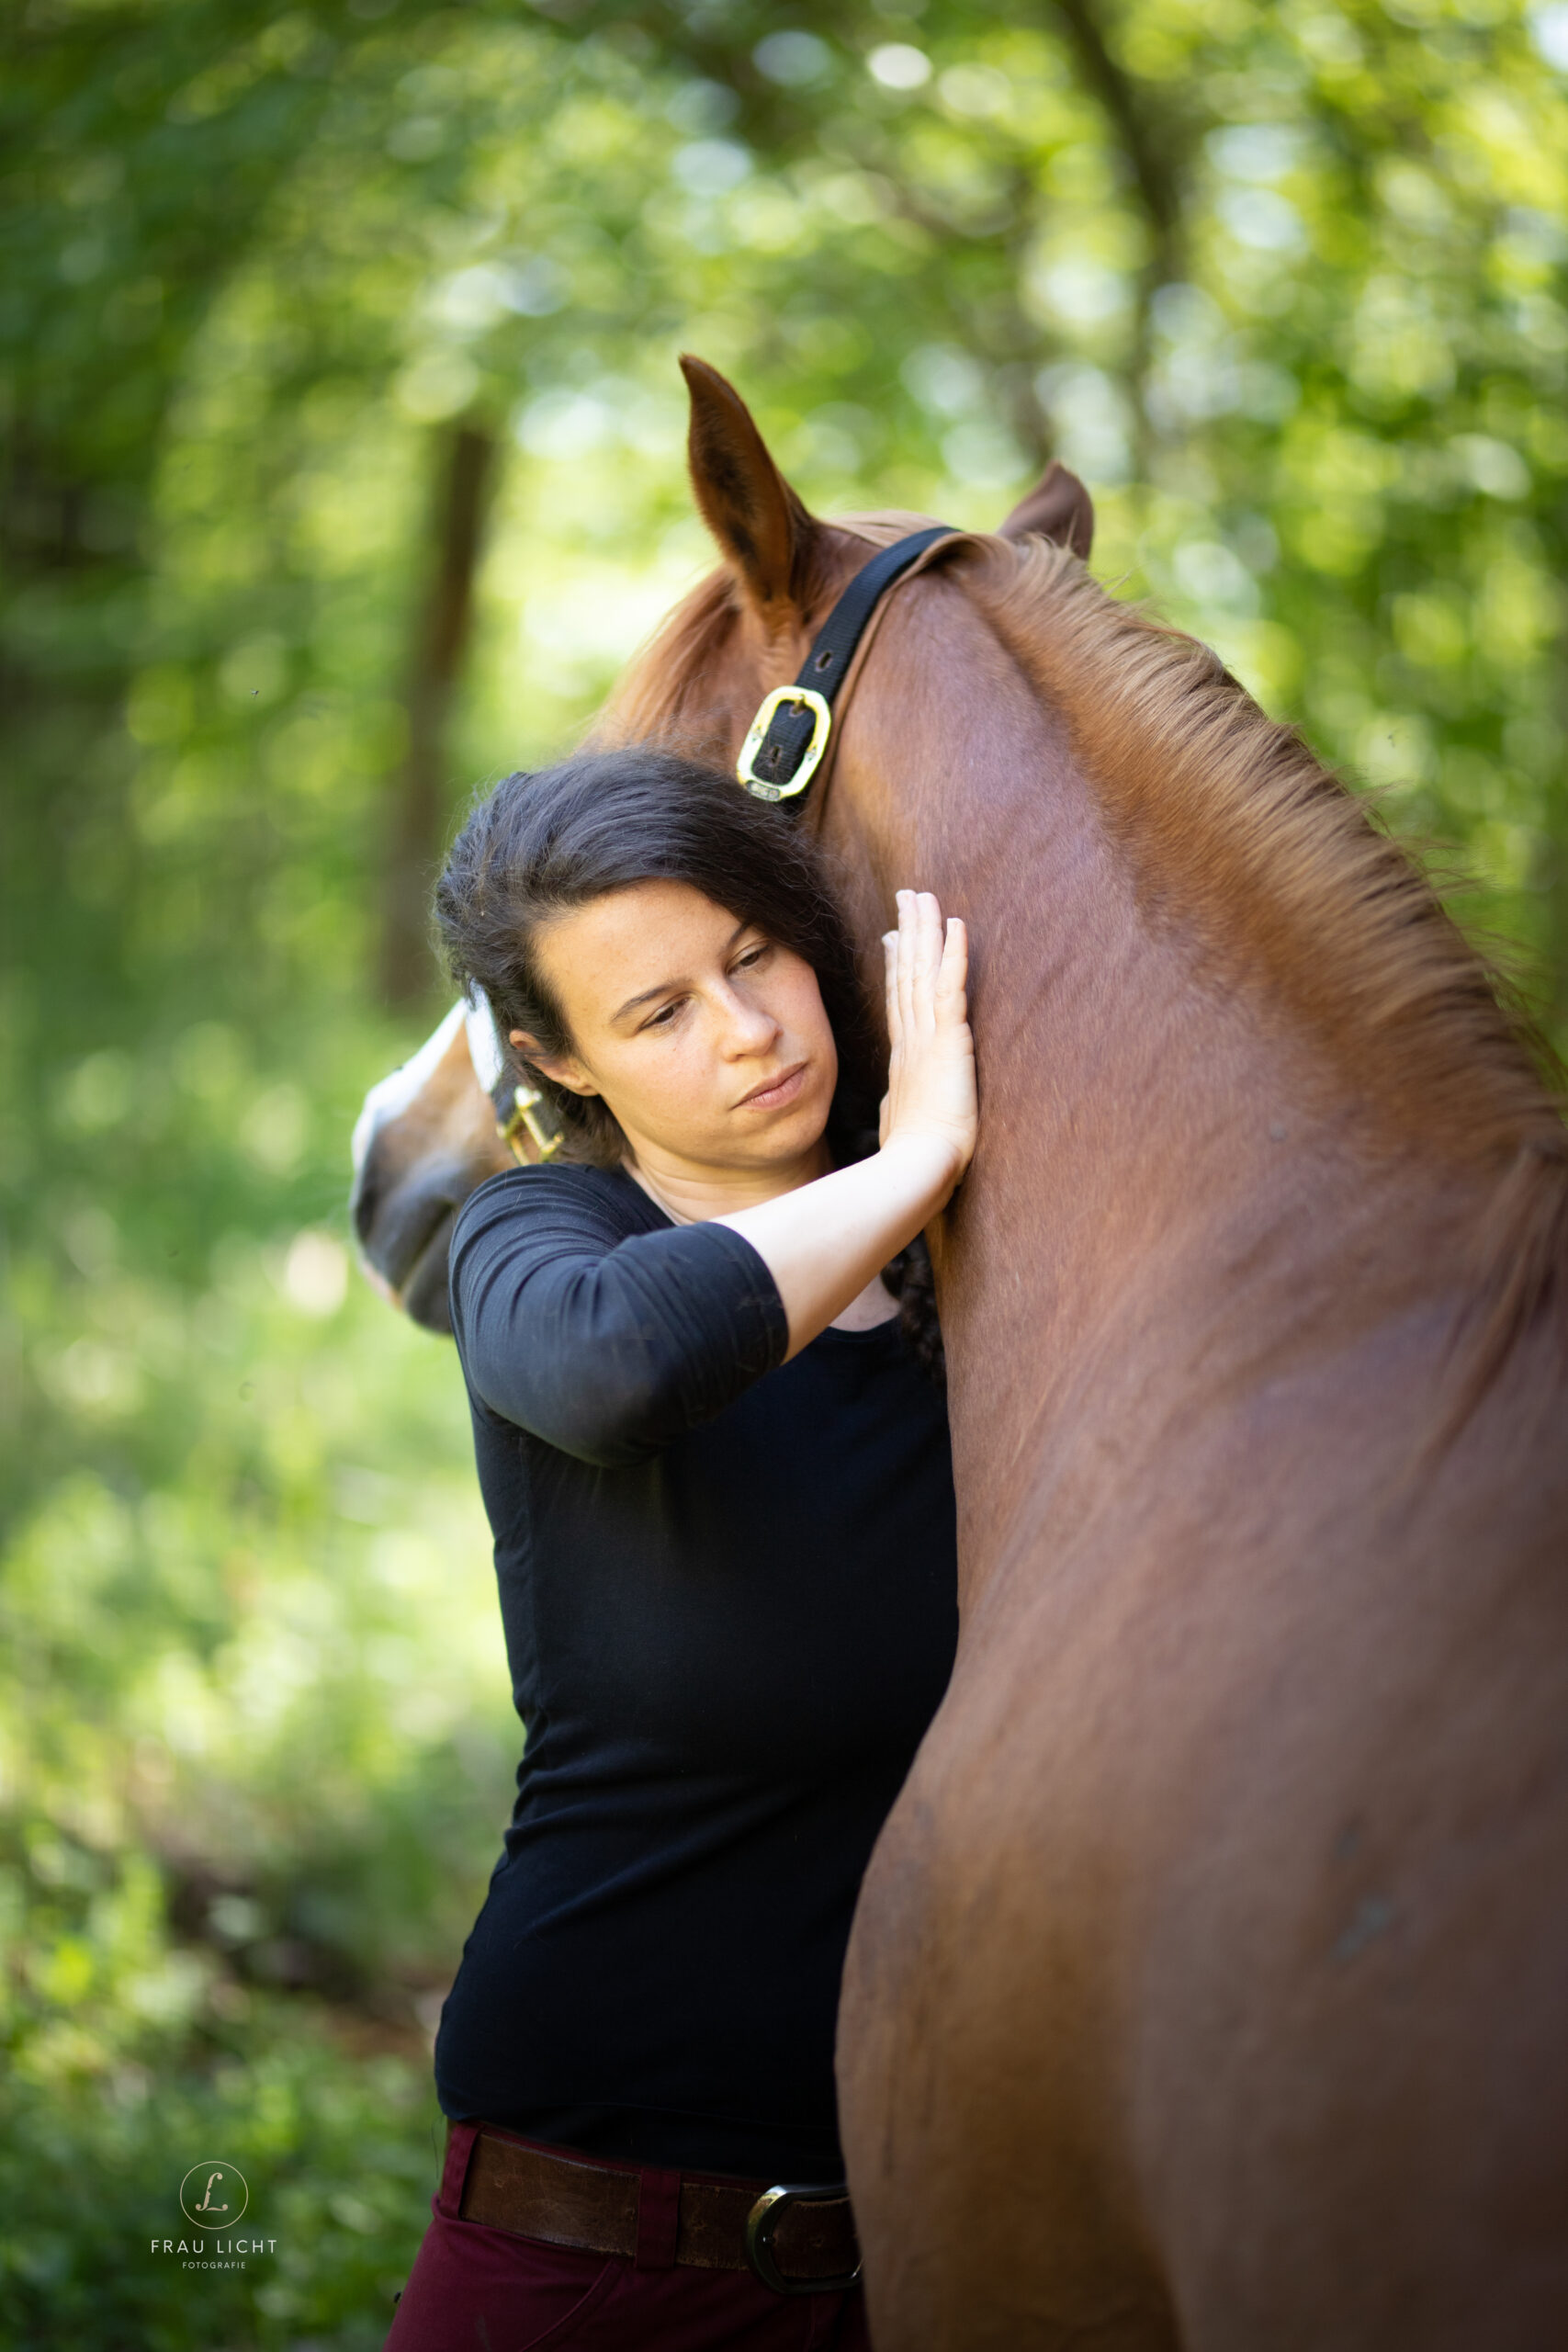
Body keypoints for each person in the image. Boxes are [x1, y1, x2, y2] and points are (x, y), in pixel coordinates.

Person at [385, 745, 975, 2350]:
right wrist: (911, 1161)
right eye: (655, 1015)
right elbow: (614, 1367)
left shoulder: (976, 1283)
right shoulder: (542, 1241)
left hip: (942, 2247)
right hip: (597, 2236)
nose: (749, 1034)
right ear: (555, 1061)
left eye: (754, 957)